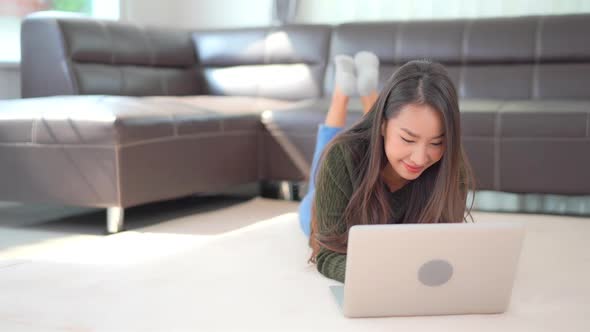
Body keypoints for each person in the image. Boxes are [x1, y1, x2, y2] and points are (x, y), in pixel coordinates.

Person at [298, 53, 475, 283]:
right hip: (324, 195)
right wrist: (388, 275)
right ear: (382, 124)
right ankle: (341, 96)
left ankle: (366, 93)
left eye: (436, 142)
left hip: (369, 149)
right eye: (408, 139)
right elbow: (327, 254)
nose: (420, 158)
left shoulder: (451, 167)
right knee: (322, 169)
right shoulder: (341, 158)